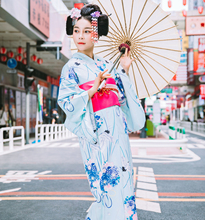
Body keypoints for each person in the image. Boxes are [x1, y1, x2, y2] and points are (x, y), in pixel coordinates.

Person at [58, 4, 145, 219]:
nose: (80, 36)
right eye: (77, 30)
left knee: (123, 184)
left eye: (87, 31)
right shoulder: (71, 67)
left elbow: (122, 100)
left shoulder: (107, 64)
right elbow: (66, 102)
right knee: (105, 186)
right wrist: (92, 90)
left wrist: (124, 69)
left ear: (96, 35)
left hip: (117, 132)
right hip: (95, 132)